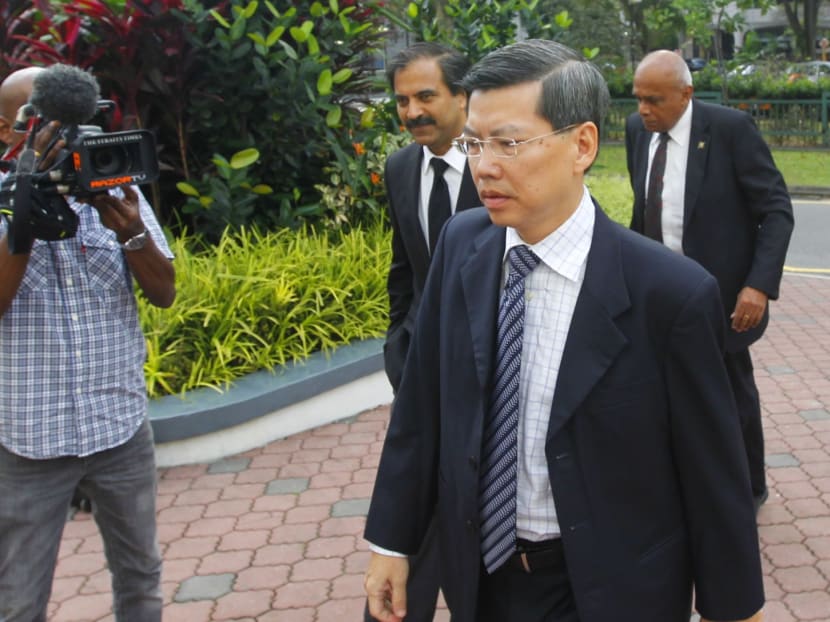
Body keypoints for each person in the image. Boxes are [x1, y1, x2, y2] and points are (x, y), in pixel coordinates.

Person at [363, 39, 764, 622]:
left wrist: (737, 609)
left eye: (509, 143)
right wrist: (393, 543)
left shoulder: (670, 294)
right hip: (482, 576)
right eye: (475, 142)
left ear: (582, 145)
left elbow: (712, 474)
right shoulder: (462, 246)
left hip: (612, 588)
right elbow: (423, 409)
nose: (485, 165)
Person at [0, 66, 175, 620]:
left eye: (73, 120)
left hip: (118, 424)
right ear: (8, 129)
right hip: (28, 437)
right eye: (41, 120)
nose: (63, 133)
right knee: (19, 596)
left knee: (141, 578)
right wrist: (24, 208)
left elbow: (164, 290)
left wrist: (129, 229)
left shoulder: (112, 177)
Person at [626, 50, 794, 512]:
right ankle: (680, 483)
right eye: (638, 98)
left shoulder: (730, 131)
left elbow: (776, 211)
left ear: (686, 95)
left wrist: (758, 285)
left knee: (731, 397)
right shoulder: (636, 132)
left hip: (721, 298)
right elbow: (645, 212)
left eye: (654, 100)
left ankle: (748, 488)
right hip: (658, 295)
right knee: (663, 394)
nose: (643, 110)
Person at [370, 42, 478, 622]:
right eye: (402, 100)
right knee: (420, 495)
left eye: (426, 97)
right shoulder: (399, 167)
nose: (411, 112)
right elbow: (403, 267)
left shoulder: (499, 162)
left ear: (463, 97)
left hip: (490, 372)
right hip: (420, 369)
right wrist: (399, 344)